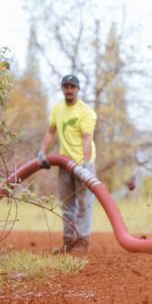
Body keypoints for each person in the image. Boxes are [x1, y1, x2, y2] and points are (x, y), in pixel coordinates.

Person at [37, 75, 97, 253]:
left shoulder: (86, 112)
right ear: (62, 89)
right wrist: (42, 152)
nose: (69, 90)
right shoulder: (57, 109)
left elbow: (87, 139)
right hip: (64, 163)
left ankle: (81, 242)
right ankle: (68, 242)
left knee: (84, 205)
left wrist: (85, 164)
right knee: (65, 204)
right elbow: (50, 132)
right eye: (66, 86)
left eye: (72, 87)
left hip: (83, 164)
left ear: (78, 89)